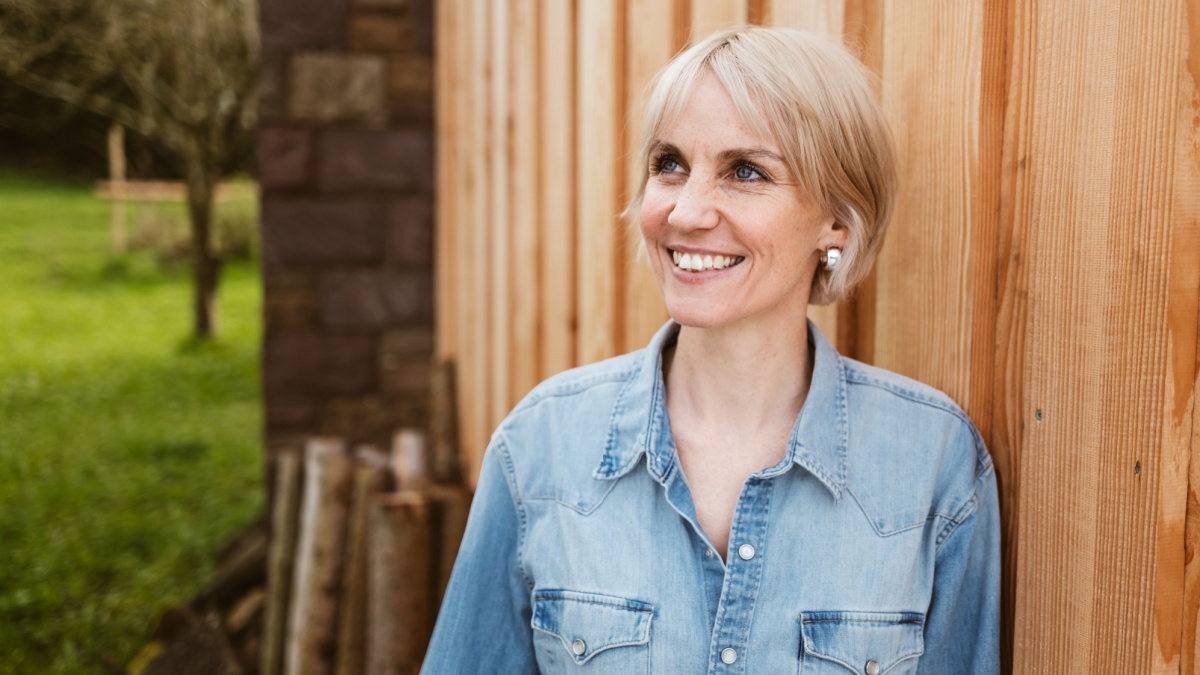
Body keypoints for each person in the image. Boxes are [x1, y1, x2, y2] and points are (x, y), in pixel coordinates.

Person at [422, 26, 999, 674]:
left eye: (744, 171)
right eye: (669, 163)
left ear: (836, 217)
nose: (686, 211)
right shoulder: (542, 446)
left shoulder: (932, 462)